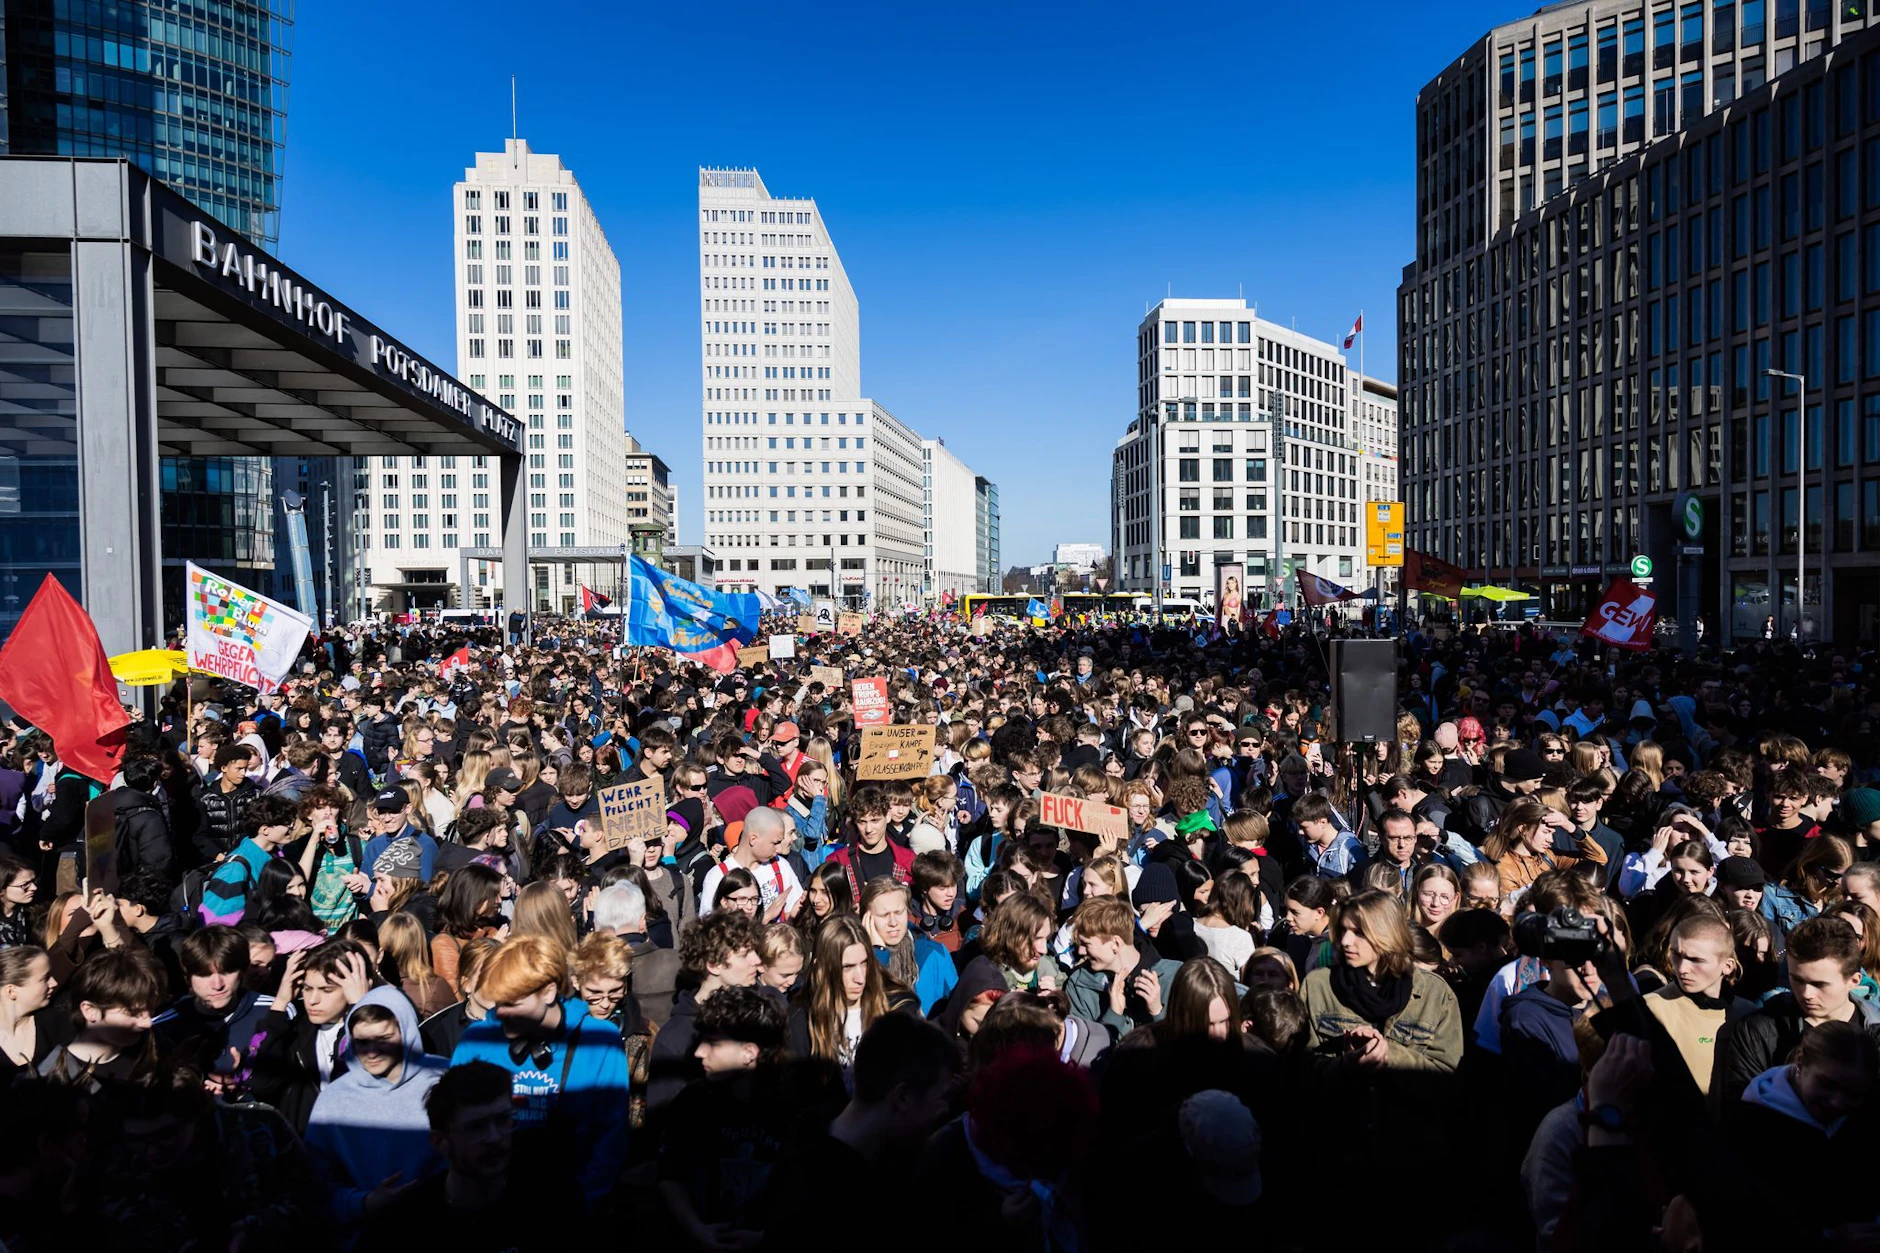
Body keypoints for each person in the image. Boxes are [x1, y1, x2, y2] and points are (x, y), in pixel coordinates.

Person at [447, 935, 630, 1209]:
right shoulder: (478, 1039)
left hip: (571, 1206)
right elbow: (453, 1126)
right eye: (497, 1003)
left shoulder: (600, 1040)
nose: (501, 1013)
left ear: (548, 992)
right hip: (491, 1206)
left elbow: (610, 1139)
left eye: (512, 1003)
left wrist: (581, 1205)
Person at [753, 1013, 962, 1242]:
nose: (945, 1109)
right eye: (942, 1097)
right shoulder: (826, 1204)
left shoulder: (809, 1138)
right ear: (902, 1097)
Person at [354, 1060, 585, 1253]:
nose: (494, 1137)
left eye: (503, 1120)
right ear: (440, 1141)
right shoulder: (405, 1225)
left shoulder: (552, 1203)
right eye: (476, 1127)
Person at [659, 985, 803, 1248]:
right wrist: (697, 1230)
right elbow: (670, 1176)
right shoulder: (692, 1103)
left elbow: (808, 1198)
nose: (699, 1052)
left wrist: (766, 1239)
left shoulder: (795, 1111)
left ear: (749, 1052)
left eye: (712, 1043)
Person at [304, 985, 447, 1229]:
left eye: (384, 1039)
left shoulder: (443, 1079)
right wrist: (364, 1203)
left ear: (407, 1032)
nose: (372, 1052)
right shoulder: (334, 1100)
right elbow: (313, 1185)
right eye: (362, 1042)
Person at [1710, 915, 1880, 1118]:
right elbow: (1741, 1113)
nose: (1806, 993)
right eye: (1797, 979)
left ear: (1854, 980)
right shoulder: (1757, 1031)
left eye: (1819, 984)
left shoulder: (1875, 1032)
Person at [1301, 889, 1462, 1070]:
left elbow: (1447, 1076)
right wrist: (1345, 1064)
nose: (1346, 940)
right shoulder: (1318, 985)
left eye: (1359, 932)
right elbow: (1300, 1066)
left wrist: (1390, 1054)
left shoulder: (1434, 994)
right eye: (1343, 930)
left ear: (1388, 934)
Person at [646, 908, 765, 1113]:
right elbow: (663, 1117)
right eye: (745, 954)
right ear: (713, 964)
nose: (757, 961)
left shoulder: (761, 1012)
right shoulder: (675, 1038)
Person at [860, 876, 957, 1015]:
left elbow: (954, 1010)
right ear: (866, 918)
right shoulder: (855, 960)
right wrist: (877, 954)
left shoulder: (935, 953)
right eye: (884, 915)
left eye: (899, 912)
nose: (893, 922)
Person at [200, 794, 298, 925]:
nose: (292, 827)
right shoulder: (235, 869)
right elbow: (217, 924)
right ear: (265, 829)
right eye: (287, 823)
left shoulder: (277, 855)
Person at [696, 806, 803, 922]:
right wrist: (765, 917)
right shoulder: (718, 876)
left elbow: (791, 913)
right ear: (753, 839)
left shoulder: (781, 865)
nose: (778, 849)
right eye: (774, 843)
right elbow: (709, 932)